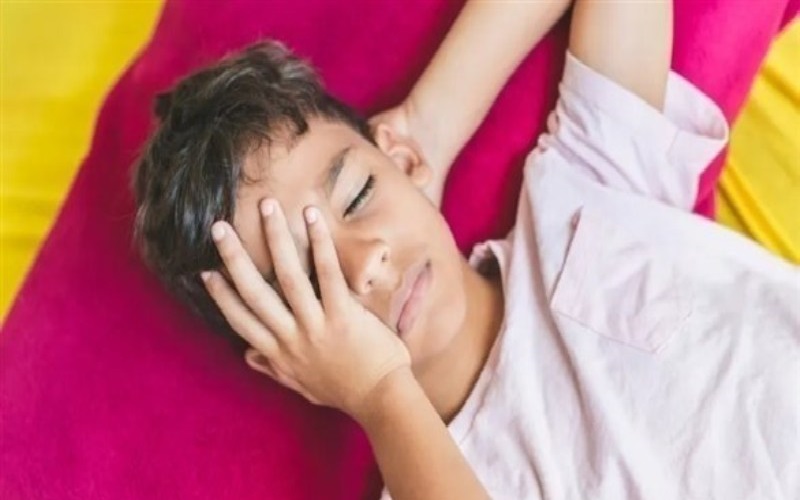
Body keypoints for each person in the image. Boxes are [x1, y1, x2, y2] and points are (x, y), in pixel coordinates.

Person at [133, 0, 800, 498]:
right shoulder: (426, 475)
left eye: (358, 195)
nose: (365, 263)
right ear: (285, 360)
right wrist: (379, 393)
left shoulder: (584, 195)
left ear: (395, 162)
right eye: (311, 279)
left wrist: (431, 123)